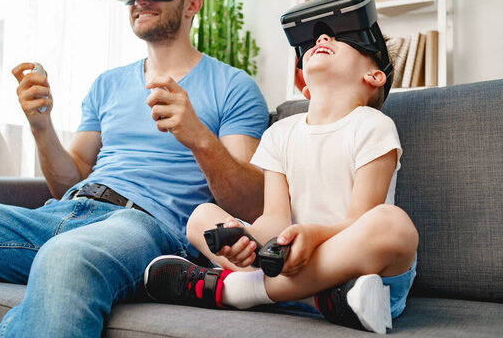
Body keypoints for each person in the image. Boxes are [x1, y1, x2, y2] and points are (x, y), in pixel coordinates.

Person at [0, 0, 268, 337]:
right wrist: (41, 127)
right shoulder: (106, 84)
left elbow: (247, 204)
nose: (139, 1)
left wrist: (198, 137)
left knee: (65, 258)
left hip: (145, 228)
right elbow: (69, 178)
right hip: (63, 211)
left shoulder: (233, 86)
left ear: (192, 2)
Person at [144, 32, 419, 334]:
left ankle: (233, 290)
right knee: (201, 218)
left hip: (366, 276)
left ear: (374, 75)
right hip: (303, 269)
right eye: (316, 38)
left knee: (394, 225)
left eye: (344, 39)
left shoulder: (373, 125)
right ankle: (318, 299)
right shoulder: (280, 133)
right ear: (304, 85)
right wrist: (246, 239)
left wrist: (314, 235)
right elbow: (275, 219)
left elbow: (359, 220)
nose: (323, 36)